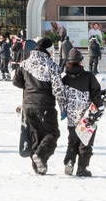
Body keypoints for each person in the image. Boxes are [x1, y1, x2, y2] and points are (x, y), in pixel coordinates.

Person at [13, 35, 67, 174]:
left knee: (36, 137)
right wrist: (63, 107)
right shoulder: (50, 65)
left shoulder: (25, 64)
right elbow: (58, 88)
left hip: (28, 106)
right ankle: (40, 156)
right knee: (52, 133)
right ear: (48, 51)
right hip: (45, 106)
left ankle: (39, 168)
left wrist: (29, 87)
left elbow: (16, 82)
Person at [60, 47, 106, 177]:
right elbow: (96, 94)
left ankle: (69, 161)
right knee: (85, 142)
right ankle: (82, 168)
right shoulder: (89, 76)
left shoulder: (65, 79)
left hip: (72, 117)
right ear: (81, 61)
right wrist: (100, 106)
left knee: (72, 141)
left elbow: (61, 96)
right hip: (87, 116)